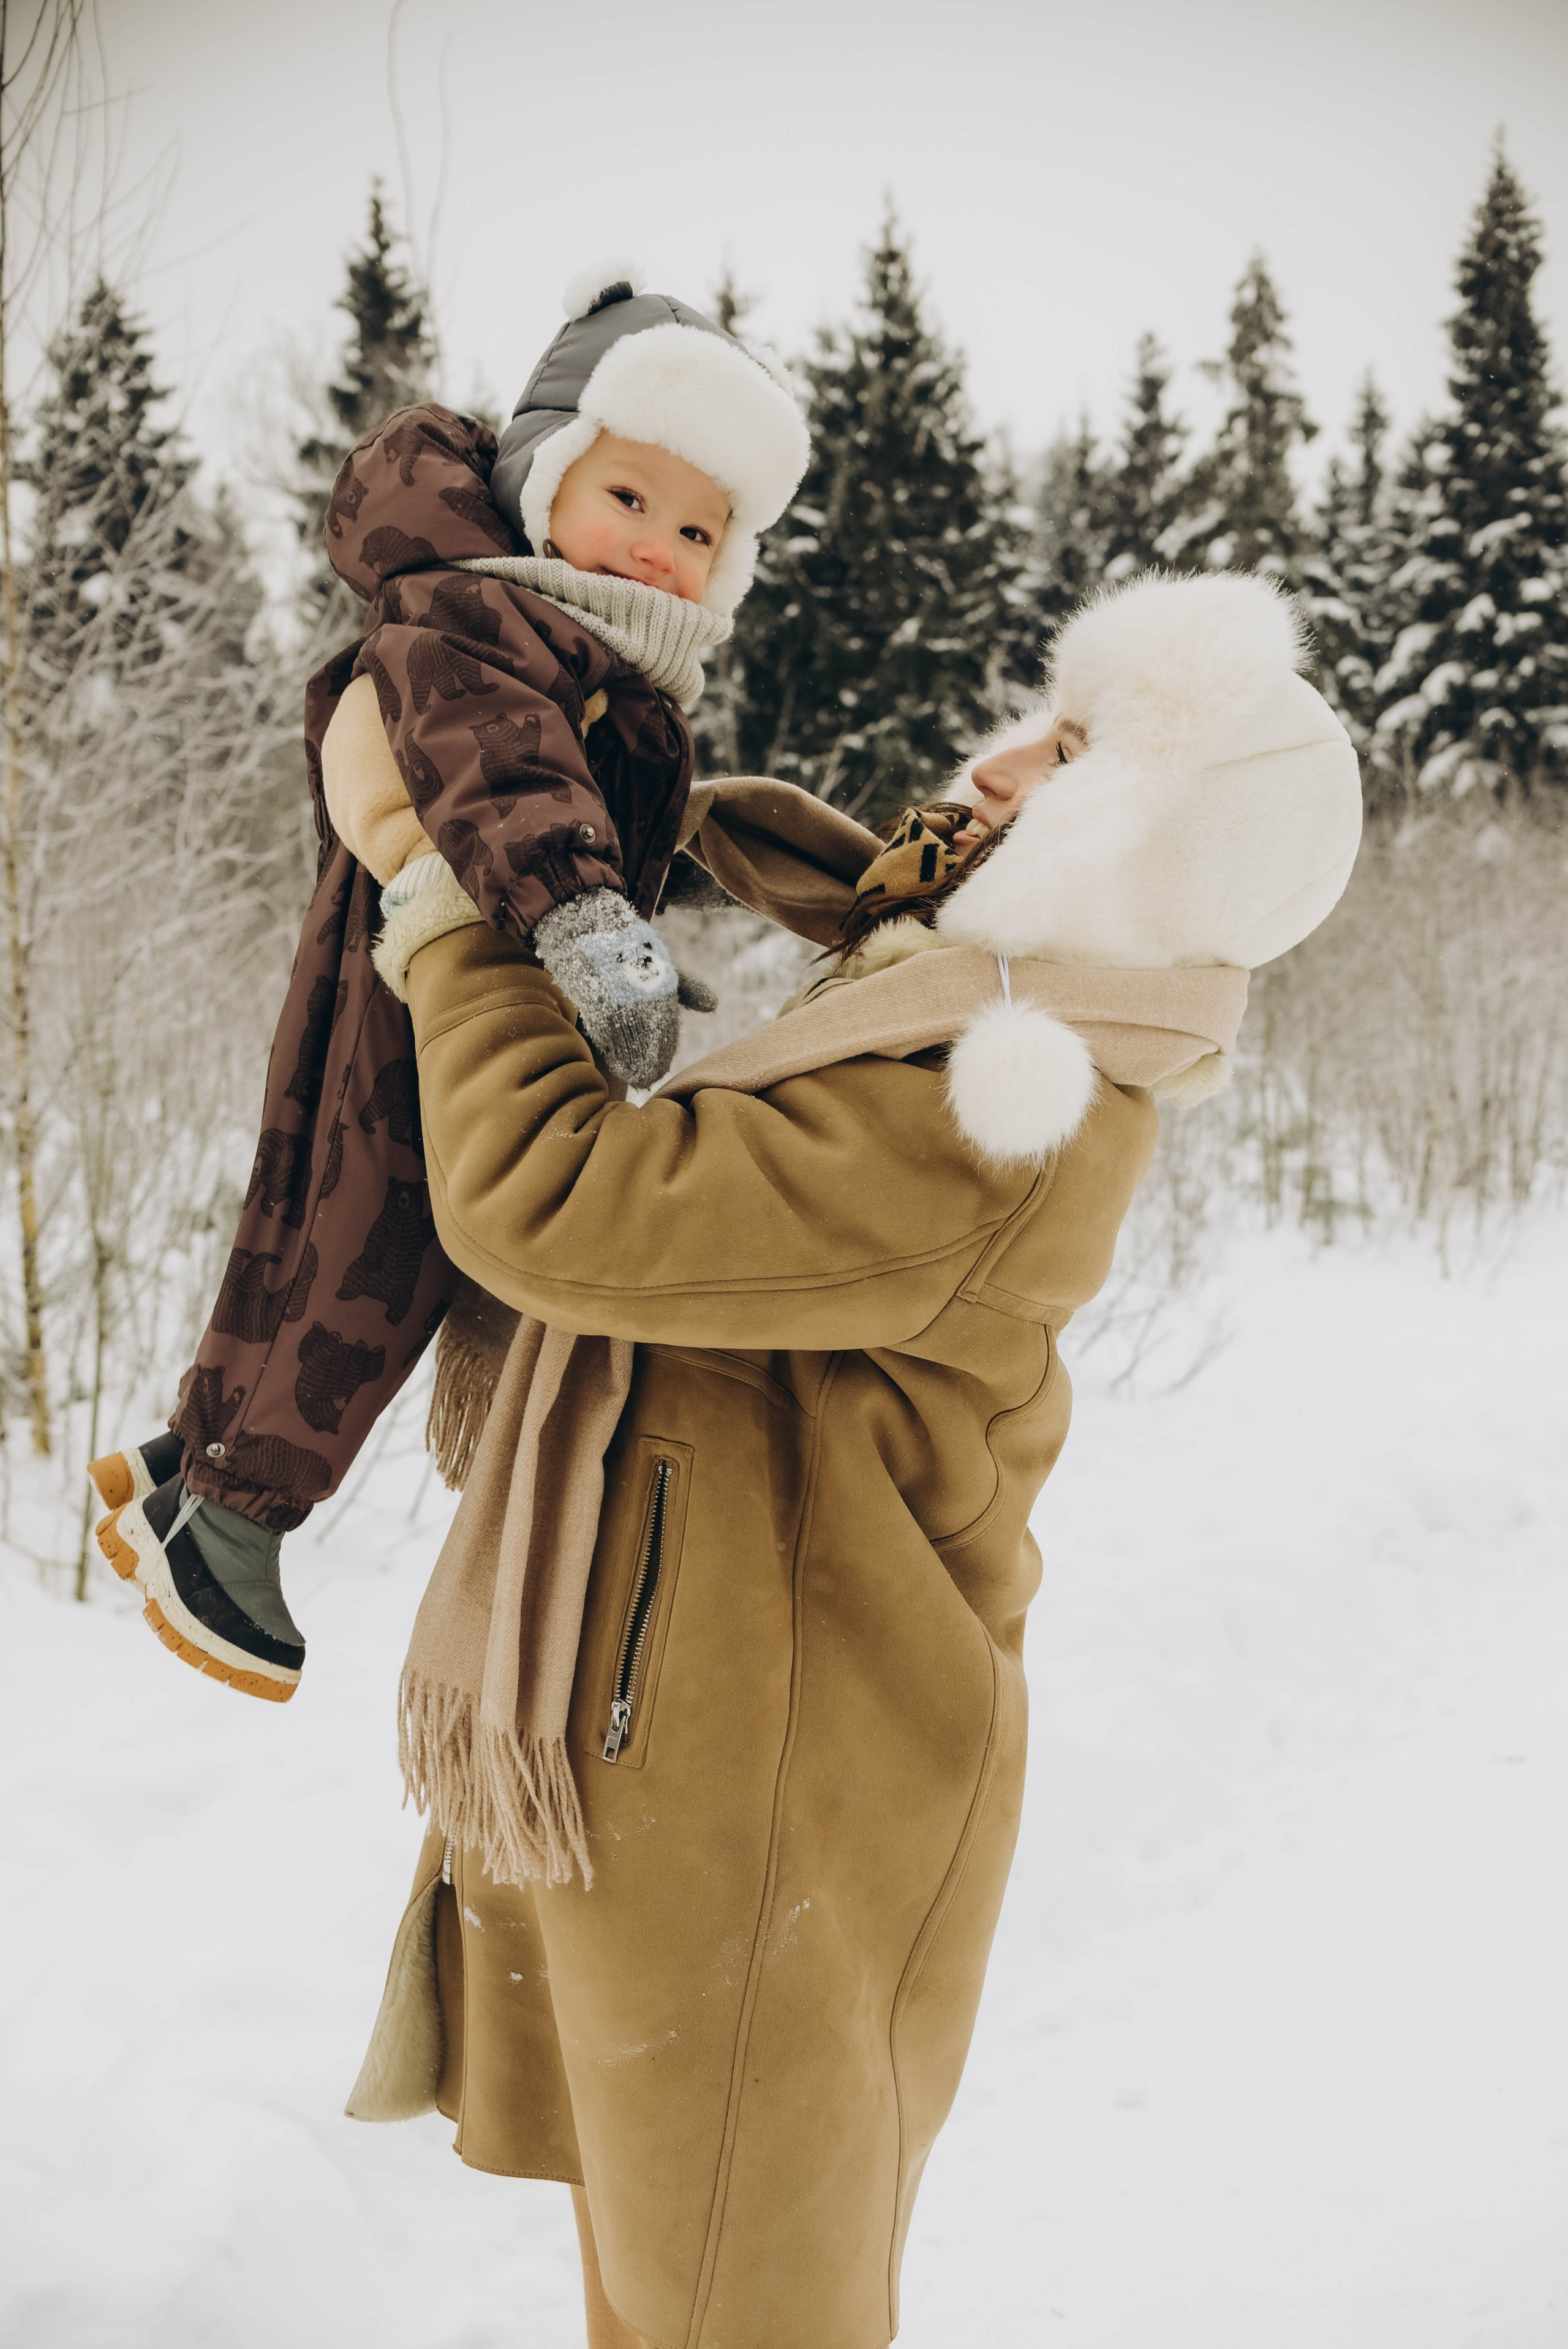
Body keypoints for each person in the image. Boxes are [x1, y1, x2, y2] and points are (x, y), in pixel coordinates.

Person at [336, 571, 1363, 2347]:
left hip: (775, 1794)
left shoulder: (1001, 1111)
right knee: (662, 2284)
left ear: (1145, 858)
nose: (998, 769)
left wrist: (444, 888)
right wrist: (590, 808)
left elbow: (558, 1200)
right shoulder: (934, 1010)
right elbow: (847, 891)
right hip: (694, 1743)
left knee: (735, 2304)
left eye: (1072, 768)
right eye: (1040, 729)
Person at [85, 265, 809, 1703]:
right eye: (628, 498)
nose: (657, 545)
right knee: (378, 1238)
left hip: (440, 962)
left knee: (319, 1210)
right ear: (544, 478)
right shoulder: (493, 616)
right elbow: (501, 767)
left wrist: (641, 900)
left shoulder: (584, 644)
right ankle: (233, 1521)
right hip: (436, 975)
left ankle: (190, 1459)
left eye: (697, 530)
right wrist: (583, 915)